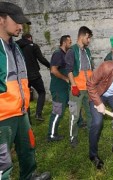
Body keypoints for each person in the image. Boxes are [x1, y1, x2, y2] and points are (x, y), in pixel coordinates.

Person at [0, 2, 51, 179]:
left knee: (28, 148)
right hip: (3, 118)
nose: (20, 27)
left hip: (21, 112)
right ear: (1, 20)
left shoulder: (16, 48)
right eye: (17, 22)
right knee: (3, 162)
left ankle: (29, 176)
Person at [65, 26, 93, 147]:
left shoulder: (87, 51)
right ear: (82, 36)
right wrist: (74, 85)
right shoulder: (72, 51)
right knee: (74, 115)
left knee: (90, 112)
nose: (89, 40)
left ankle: (92, 133)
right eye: (88, 38)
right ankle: (73, 137)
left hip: (88, 89)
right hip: (77, 89)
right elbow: (69, 70)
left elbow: (90, 69)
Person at [16, 33, 50, 121]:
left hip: (22, 76)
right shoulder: (33, 46)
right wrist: (50, 66)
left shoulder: (17, 46)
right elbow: (41, 58)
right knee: (41, 92)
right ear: (30, 38)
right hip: (34, 74)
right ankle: (38, 114)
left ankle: (27, 119)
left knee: (26, 96)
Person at [47, 35, 72, 142]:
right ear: (64, 42)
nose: (70, 44)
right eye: (69, 42)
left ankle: (79, 122)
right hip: (58, 89)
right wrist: (66, 78)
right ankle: (51, 135)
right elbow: (53, 70)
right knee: (58, 111)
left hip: (65, 89)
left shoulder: (65, 54)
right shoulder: (58, 54)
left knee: (73, 104)